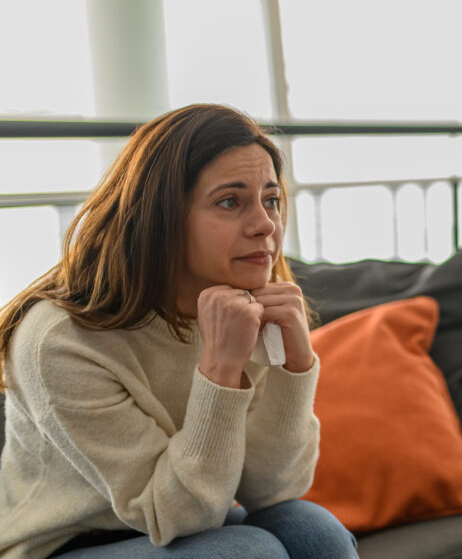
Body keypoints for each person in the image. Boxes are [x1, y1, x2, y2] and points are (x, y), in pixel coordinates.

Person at [0, 104, 358, 558]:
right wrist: (221, 369)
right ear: (161, 217)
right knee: (246, 552)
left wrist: (296, 365)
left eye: (270, 200)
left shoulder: (241, 303)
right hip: (68, 543)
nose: (266, 225)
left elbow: (273, 490)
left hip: (189, 516)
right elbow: (173, 514)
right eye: (230, 201)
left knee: (313, 532)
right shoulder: (61, 341)